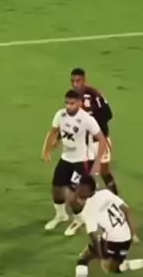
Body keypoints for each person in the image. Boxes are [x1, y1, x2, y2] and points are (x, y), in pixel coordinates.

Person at [65, 175, 143, 277]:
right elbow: (126, 210)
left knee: (84, 260)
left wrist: (101, 256)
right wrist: (133, 234)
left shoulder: (89, 209)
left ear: (86, 189)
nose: (77, 190)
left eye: (79, 187)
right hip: (125, 236)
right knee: (115, 267)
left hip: (114, 239)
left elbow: (93, 236)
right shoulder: (105, 193)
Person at [42, 90, 108, 232]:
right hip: (66, 158)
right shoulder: (60, 115)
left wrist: (97, 163)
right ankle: (61, 215)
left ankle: (79, 219)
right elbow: (53, 131)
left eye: (72, 103)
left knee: (73, 196)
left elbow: (102, 140)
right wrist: (46, 150)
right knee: (56, 189)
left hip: (81, 161)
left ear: (79, 103)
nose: (68, 106)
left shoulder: (87, 119)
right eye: (66, 103)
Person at [70, 67, 118, 193]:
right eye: (73, 81)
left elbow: (108, 114)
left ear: (84, 80)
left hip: (100, 140)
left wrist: (93, 125)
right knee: (85, 172)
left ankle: (115, 199)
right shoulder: (72, 98)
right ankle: (87, 197)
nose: (75, 84)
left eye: (78, 81)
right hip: (85, 143)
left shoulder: (94, 95)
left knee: (104, 172)